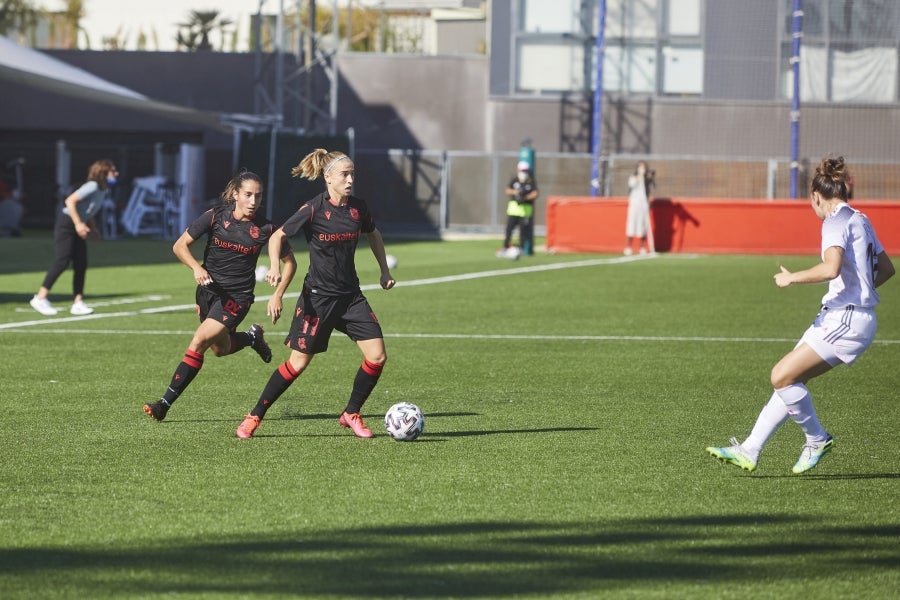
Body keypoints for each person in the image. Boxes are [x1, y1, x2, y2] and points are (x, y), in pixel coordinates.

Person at [706, 156, 894, 474]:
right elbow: (886, 269)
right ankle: (750, 449)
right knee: (789, 381)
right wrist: (857, 286)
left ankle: (816, 439)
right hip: (843, 315)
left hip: (846, 319)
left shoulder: (833, 220)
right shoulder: (860, 218)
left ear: (816, 196)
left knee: (781, 375)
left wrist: (793, 277)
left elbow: (831, 267)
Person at [235, 148, 396, 439]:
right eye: (344, 175)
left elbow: (374, 234)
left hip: (351, 297)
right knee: (298, 364)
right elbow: (278, 236)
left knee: (378, 356)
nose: (350, 180)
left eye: (352, 174)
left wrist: (384, 271)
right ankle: (254, 415)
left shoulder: (359, 208)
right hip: (318, 299)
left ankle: (351, 413)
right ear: (328, 177)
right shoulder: (313, 208)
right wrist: (273, 265)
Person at [142, 170, 297, 422]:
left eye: (258, 196)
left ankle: (163, 404)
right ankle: (251, 338)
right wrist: (196, 267)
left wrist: (278, 293)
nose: (253, 201)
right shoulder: (215, 217)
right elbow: (179, 245)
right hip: (207, 292)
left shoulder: (267, 229)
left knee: (198, 342)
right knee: (220, 349)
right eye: (248, 194)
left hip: (237, 298)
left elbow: (290, 263)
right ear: (235, 194)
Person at [29, 159, 118, 316]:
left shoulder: (103, 190)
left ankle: (78, 303)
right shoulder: (92, 186)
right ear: (103, 173)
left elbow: (87, 211)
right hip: (67, 225)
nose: (116, 174)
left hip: (79, 224)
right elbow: (70, 201)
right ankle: (40, 298)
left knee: (81, 263)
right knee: (63, 260)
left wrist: (93, 228)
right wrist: (78, 224)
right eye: (113, 171)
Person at [497, 160, 539, 258]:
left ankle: (520, 249)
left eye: (525, 171)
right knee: (509, 230)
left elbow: (535, 193)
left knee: (523, 232)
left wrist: (525, 197)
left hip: (524, 212)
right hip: (513, 210)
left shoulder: (531, 182)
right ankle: (505, 247)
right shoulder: (514, 180)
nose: (523, 173)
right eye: (522, 170)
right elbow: (507, 190)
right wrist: (516, 192)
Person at [624, 161, 655, 255]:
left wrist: (647, 175)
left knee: (643, 225)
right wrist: (638, 176)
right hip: (635, 203)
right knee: (632, 223)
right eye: (640, 167)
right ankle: (628, 246)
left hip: (643, 204)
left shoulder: (646, 179)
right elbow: (632, 184)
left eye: (643, 167)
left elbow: (652, 178)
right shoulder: (634, 177)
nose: (642, 169)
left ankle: (642, 246)